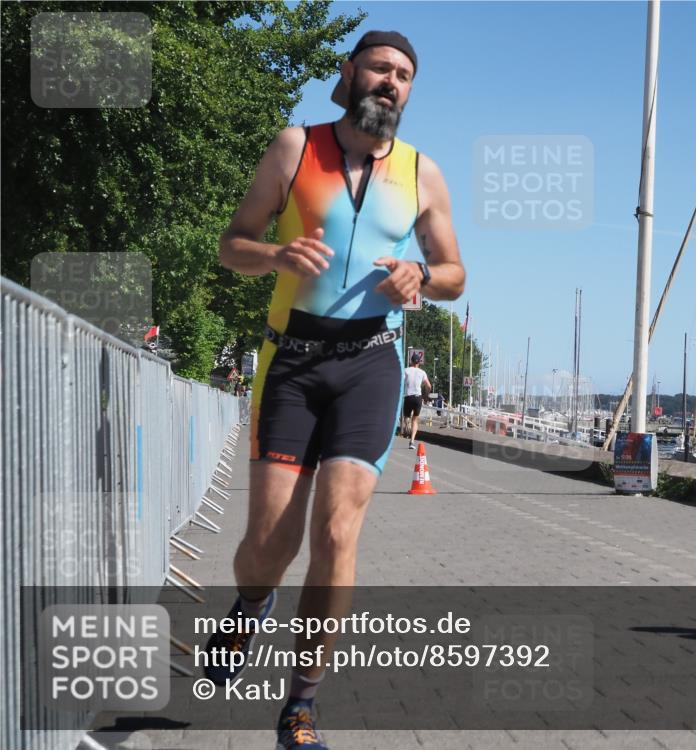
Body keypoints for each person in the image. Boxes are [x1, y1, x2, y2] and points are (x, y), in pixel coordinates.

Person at [208, 30, 465, 750]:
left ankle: (301, 707)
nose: (391, 82)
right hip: (290, 360)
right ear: (350, 72)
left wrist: (423, 278)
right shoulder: (296, 147)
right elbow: (233, 244)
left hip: (369, 364)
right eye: (381, 68)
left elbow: (454, 273)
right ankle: (250, 606)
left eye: (405, 76)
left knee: (336, 533)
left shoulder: (423, 174)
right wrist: (274, 253)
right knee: (268, 542)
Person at [401, 352, 432, 449]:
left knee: (406, 416)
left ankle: (407, 425)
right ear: (419, 363)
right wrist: (426, 395)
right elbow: (429, 386)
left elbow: (400, 382)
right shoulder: (422, 372)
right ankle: (412, 442)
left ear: (411, 361)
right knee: (415, 420)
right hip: (418, 397)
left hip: (408, 397)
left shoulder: (406, 370)